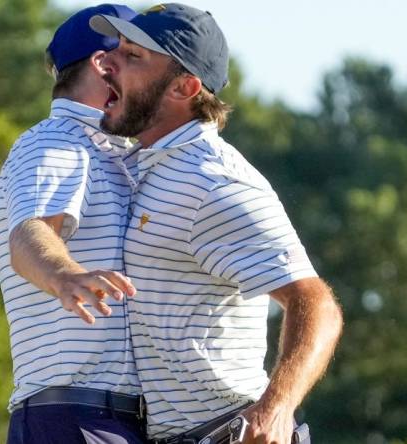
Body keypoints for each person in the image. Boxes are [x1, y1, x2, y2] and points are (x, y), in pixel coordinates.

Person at [89, 4, 344, 443]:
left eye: (133, 58)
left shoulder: (213, 180)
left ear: (184, 87)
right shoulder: (145, 165)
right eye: (119, 49)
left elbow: (316, 304)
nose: (107, 63)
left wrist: (277, 408)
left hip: (227, 431)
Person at [0, 4, 147, 443]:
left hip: (98, 417)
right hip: (77, 416)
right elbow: (29, 233)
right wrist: (66, 275)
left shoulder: (112, 148)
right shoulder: (60, 140)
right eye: (140, 56)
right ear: (105, 64)